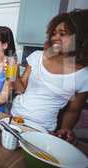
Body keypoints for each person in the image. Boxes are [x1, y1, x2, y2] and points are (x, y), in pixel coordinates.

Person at [11, 9, 88, 142]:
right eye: (54, 33)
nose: (55, 38)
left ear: (80, 37)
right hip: (15, 118)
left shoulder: (83, 76)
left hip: (43, 130)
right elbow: (20, 89)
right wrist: (13, 73)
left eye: (62, 34)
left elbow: (73, 111)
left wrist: (65, 130)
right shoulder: (37, 57)